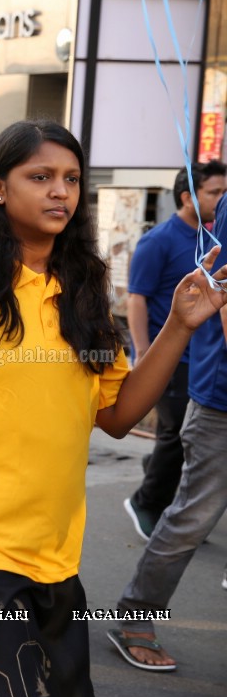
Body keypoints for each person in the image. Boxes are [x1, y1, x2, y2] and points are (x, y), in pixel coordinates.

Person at [0, 120, 227, 697]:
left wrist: (179, 325)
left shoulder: (85, 289)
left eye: (70, 179)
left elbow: (118, 415)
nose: (60, 193)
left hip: (57, 561)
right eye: (39, 177)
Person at [110, 159, 227, 673]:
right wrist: (141, 355)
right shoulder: (162, 240)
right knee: (192, 517)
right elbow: (219, 298)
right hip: (218, 398)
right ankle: (135, 614)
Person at [123, 161, 226, 538]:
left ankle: (158, 471)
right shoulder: (159, 240)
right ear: (188, 197)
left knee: (179, 435)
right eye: (214, 192)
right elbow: (136, 299)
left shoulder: (212, 238)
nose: (221, 198)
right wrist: (144, 353)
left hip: (198, 355)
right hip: (166, 356)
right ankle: (146, 501)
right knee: (176, 435)